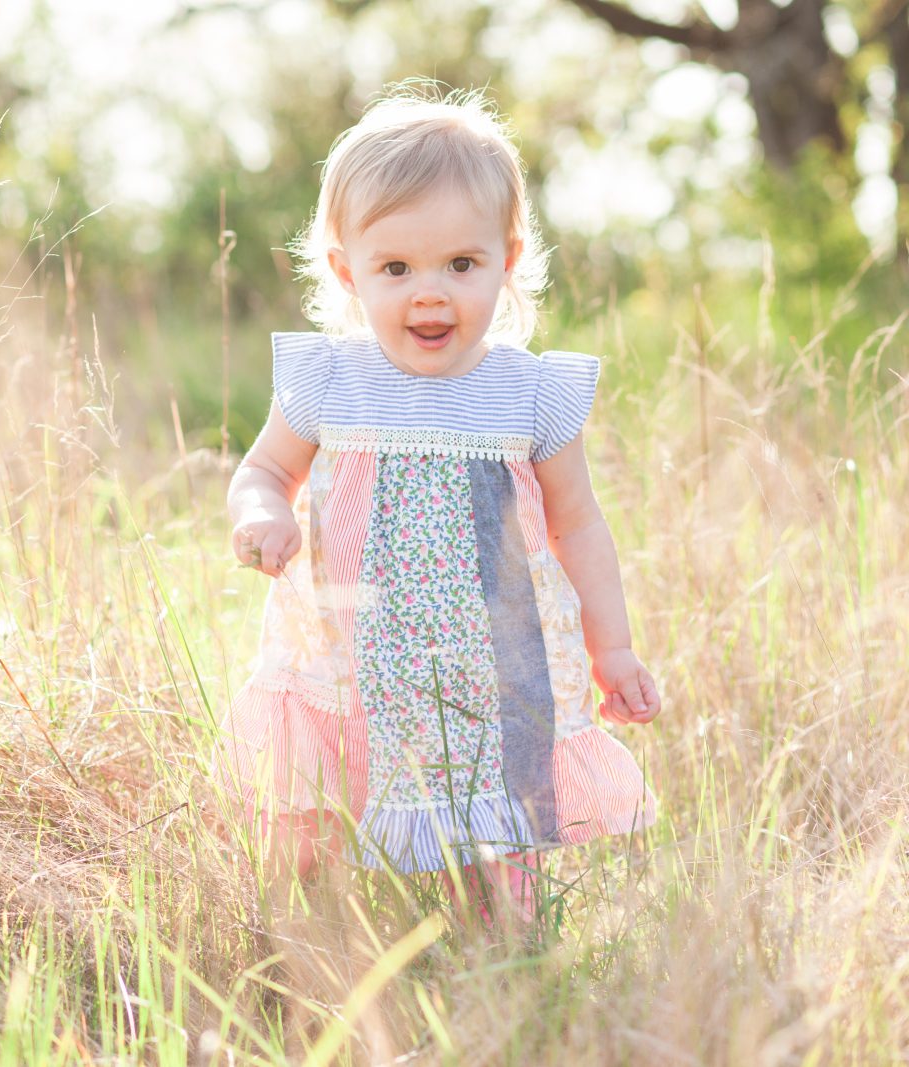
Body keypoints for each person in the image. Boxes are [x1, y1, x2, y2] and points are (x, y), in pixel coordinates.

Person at [216, 87, 660, 925]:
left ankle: (510, 946)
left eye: (461, 264)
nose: (431, 294)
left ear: (508, 255)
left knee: (501, 826)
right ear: (348, 269)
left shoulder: (528, 394)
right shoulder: (328, 379)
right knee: (315, 814)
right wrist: (263, 511)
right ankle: (308, 935)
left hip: (491, 664)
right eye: (396, 269)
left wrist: (616, 649)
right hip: (350, 650)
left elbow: (577, 525)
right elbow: (265, 469)